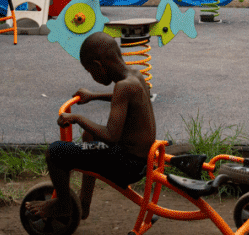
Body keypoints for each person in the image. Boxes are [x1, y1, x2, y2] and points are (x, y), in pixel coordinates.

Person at [25, 31, 156, 221]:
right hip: (140, 159)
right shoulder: (134, 76)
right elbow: (128, 98)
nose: (92, 75)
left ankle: (63, 205)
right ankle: (83, 204)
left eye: (90, 71)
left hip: (126, 166)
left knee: (55, 152)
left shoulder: (123, 87)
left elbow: (111, 135)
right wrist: (93, 96)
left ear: (98, 65)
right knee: (90, 136)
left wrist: (77, 118)